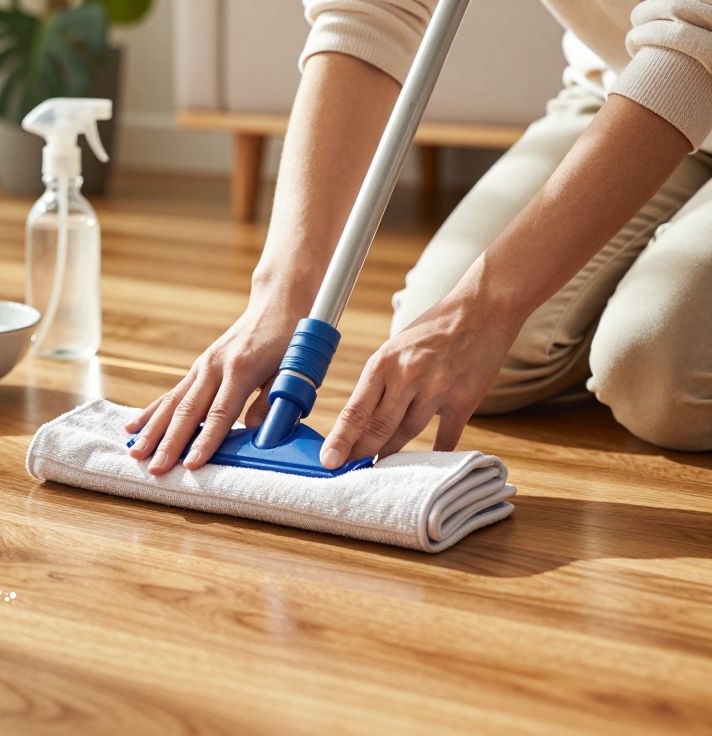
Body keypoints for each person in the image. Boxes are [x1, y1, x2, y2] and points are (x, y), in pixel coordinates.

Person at [127, 0, 712, 475]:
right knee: (457, 344)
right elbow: (371, 9)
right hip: (626, 80)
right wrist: (283, 291)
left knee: (656, 380)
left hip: (691, 55)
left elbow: (698, 28)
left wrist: (490, 306)